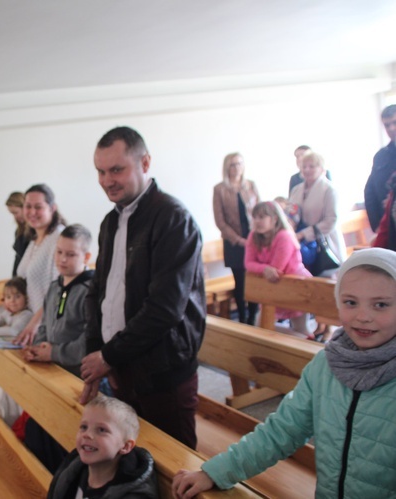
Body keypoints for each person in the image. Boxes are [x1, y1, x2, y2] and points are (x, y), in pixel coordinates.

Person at [172, 247, 396, 499]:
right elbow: (282, 431)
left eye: (380, 305)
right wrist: (217, 471)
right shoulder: (326, 365)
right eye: (350, 302)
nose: (363, 316)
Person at [80, 126, 206, 450]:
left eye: (117, 169)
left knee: (175, 466)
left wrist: (106, 355)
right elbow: (100, 293)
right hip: (122, 368)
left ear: (145, 163)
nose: (107, 180)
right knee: (132, 460)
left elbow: (164, 308)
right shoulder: (111, 221)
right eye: (101, 171)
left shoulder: (173, 219)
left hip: (162, 372)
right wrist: (96, 355)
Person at [47, 394, 160, 499]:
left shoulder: (133, 495)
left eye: (101, 430)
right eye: (84, 427)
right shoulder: (72, 469)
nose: (87, 435)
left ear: (125, 446)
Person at [24, 223, 95, 376]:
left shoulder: (91, 291)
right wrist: (37, 349)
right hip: (51, 367)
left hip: (78, 374)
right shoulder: (55, 286)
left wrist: (53, 353)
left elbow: (90, 340)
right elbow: (45, 325)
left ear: (86, 257)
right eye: (59, 252)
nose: (62, 259)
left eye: (70, 254)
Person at [244, 201, 313, 338]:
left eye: (262, 217)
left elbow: (277, 269)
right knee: (261, 325)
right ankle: (298, 342)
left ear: (275, 218)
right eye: (255, 217)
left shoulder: (284, 236)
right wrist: (264, 269)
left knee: (301, 328)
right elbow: (248, 263)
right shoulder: (253, 236)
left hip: (295, 285)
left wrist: (265, 269)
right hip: (272, 285)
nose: (257, 221)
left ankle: (304, 344)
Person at [14, 184, 67, 346]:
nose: (32, 212)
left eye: (38, 207)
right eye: (27, 206)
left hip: (51, 326)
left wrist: (35, 323)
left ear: (52, 208)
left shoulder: (59, 238)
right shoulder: (34, 239)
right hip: (33, 324)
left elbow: (60, 289)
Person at [212, 152, 260, 325]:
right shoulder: (220, 189)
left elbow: (260, 212)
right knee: (240, 282)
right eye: (233, 164)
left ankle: (253, 317)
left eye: (239, 163)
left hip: (254, 240)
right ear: (227, 167)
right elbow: (220, 221)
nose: (236, 167)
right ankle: (242, 317)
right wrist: (239, 240)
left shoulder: (251, 185)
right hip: (233, 242)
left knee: (254, 280)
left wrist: (256, 236)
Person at [288, 150, 346, 277]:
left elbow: (331, 220)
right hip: (302, 244)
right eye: (304, 166)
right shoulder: (296, 190)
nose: (307, 170)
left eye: (312, 166)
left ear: (321, 168)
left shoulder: (329, 189)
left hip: (325, 243)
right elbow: (292, 212)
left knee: (328, 281)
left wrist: (304, 233)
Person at [364, 105, 396, 231]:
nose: (391, 128)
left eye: (394, 123)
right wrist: (378, 226)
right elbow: (370, 192)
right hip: (389, 225)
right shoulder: (381, 156)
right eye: (387, 125)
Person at [6, 191, 30, 276]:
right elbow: (18, 258)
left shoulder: (35, 231)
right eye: (12, 214)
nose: (15, 217)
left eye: (16, 212)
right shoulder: (19, 231)